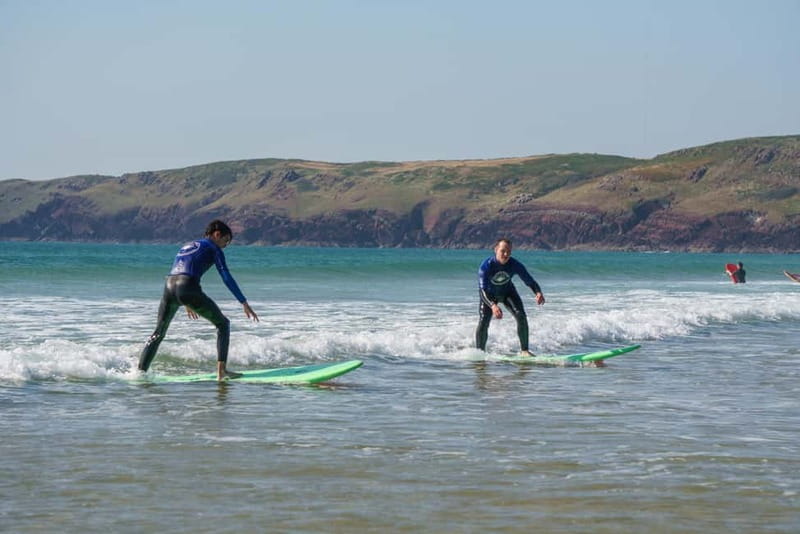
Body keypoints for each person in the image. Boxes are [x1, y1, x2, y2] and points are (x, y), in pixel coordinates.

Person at [138, 219, 259, 380]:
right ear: (217, 234)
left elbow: (180, 270)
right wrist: (243, 302)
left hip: (169, 286)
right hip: (187, 287)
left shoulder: (187, 246)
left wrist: (185, 301)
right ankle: (222, 372)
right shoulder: (214, 248)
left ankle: (139, 374)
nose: (225, 245)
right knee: (223, 324)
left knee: (158, 333)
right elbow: (225, 276)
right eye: (226, 240)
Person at [475, 238, 545, 356]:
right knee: (484, 321)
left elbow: (530, 281)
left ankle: (524, 351)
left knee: (521, 315)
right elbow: (483, 290)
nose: (506, 254)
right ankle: (480, 353)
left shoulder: (515, 264)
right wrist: (493, 305)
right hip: (489, 295)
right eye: (503, 251)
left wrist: (538, 292)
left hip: (507, 292)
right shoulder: (486, 266)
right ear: (496, 250)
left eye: (509, 251)